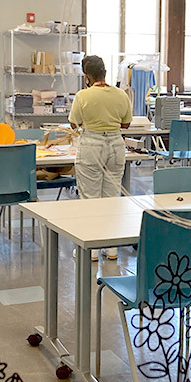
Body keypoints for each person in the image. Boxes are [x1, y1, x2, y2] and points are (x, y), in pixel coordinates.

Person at [68, 55, 132, 260]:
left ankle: (92, 250)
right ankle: (111, 247)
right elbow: (126, 125)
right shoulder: (121, 94)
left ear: (87, 75)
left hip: (91, 146)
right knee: (112, 198)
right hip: (115, 145)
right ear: (105, 72)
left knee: (90, 199)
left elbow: (73, 124)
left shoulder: (83, 96)